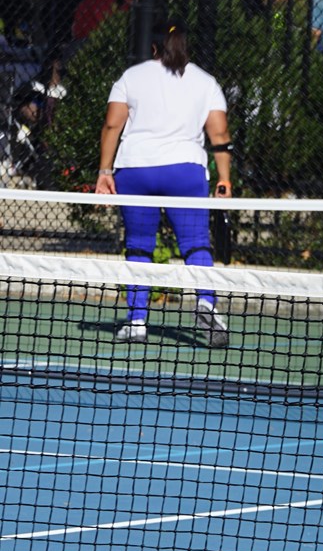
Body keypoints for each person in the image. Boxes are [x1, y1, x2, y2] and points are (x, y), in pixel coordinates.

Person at [94, 20, 233, 348]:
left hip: (136, 170)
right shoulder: (206, 82)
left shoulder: (131, 76)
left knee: (139, 244)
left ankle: (137, 320)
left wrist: (104, 171)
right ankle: (207, 304)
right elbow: (220, 135)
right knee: (196, 242)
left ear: (153, 47)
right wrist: (225, 178)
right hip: (185, 172)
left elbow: (112, 125)